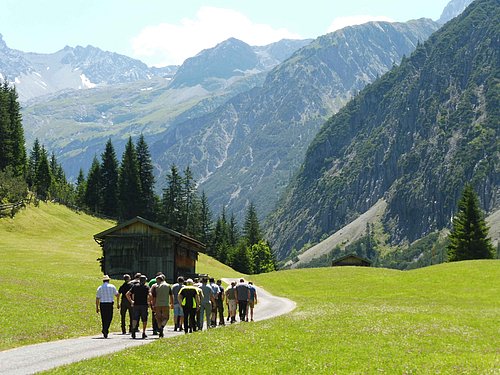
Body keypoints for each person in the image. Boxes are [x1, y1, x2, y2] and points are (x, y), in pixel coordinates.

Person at [127, 275, 151, 339]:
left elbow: (127, 294)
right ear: (145, 280)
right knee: (144, 319)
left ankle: (133, 330)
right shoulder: (146, 287)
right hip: (144, 305)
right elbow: (150, 294)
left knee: (135, 318)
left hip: (136, 305)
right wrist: (149, 301)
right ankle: (143, 332)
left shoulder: (135, 286)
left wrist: (131, 301)